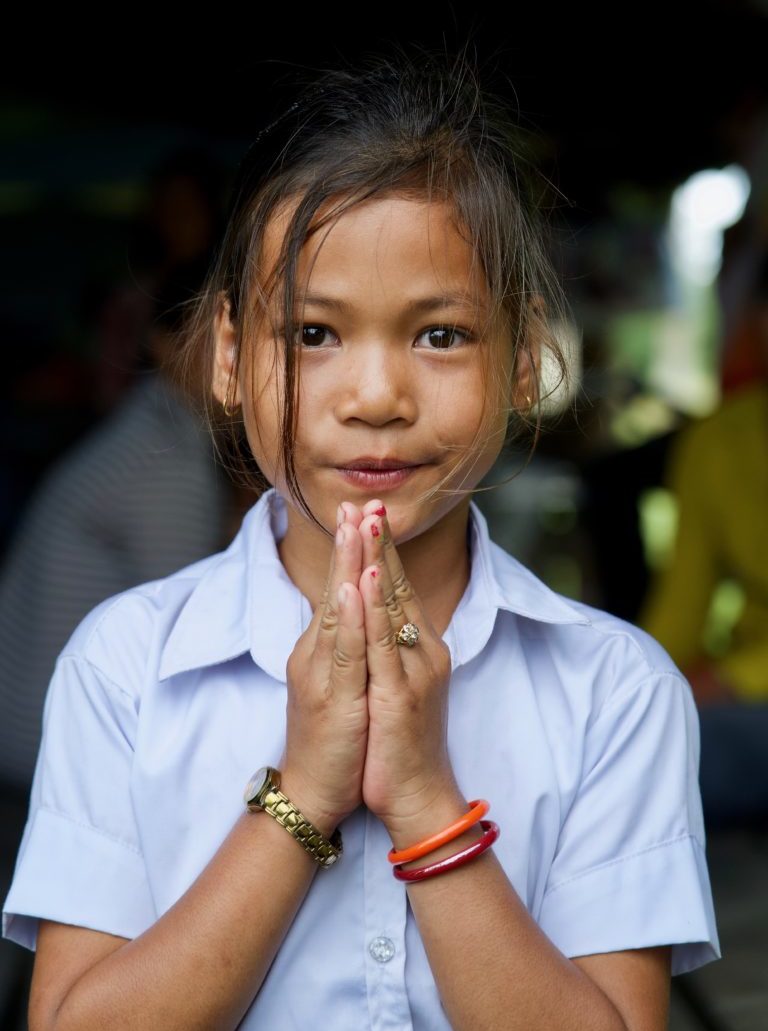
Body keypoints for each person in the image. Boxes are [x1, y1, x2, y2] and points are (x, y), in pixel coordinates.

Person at [2, 46, 719, 1030]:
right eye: (311, 334)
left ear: (524, 360)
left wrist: (425, 801)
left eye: (440, 334)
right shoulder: (128, 668)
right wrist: (302, 794)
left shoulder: (617, 691)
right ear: (224, 355)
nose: (375, 397)